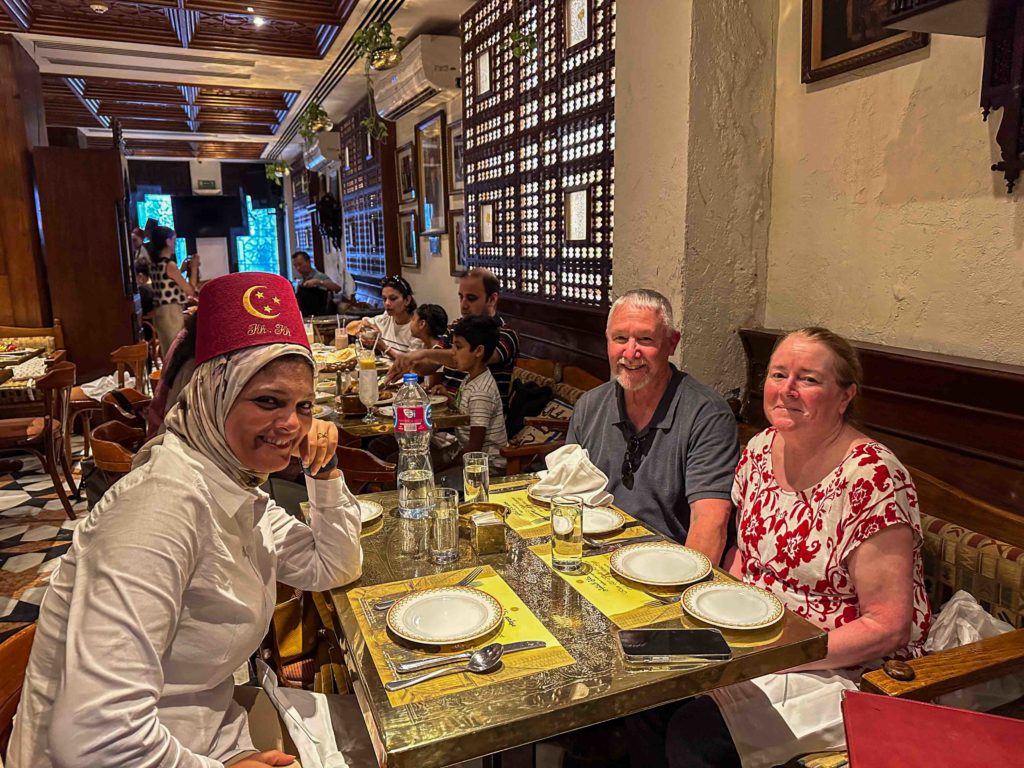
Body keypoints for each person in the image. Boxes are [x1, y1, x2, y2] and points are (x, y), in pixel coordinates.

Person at [8, 272, 365, 767]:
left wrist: (324, 474)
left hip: (210, 732)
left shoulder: (232, 484)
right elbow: (94, 740)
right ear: (213, 395)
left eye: (304, 406)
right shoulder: (159, 510)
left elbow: (332, 566)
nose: (292, 424)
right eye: (268, 401)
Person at [629, 327, 932, 768]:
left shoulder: (871, 477)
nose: (787, 390)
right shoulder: (760, 449)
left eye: (808, 379)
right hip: (756, 638)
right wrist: (707, 617)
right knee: (644, 695)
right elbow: (743, 558)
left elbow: (887, 626)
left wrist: (777, 657)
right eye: (778, 374)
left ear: (845, 396)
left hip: (843, 666)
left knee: (696, 738)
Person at [565, 289, 738, 562]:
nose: (631, 352)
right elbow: (568, 495)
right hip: (593, 559)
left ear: (672, 343)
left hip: (665, 567)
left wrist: (683, 591)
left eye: (645, 339)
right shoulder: (590, 405)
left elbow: (710, 522)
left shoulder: (707, 415)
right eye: (620, 338)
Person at [388, 268, 520, 415]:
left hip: (479, 421)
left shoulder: (506, 334)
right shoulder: (455, 327)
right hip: (447, 411)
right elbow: (431, 364)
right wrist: (410, 366)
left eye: (471, 298)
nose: (463, 305)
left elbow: (474, 357)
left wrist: (420, 354)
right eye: (460, 297)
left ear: (492, 299)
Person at [432, 315, 508, 474]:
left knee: (433, 478)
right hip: (466, 452)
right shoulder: (471, 377)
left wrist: (442, 468)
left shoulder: (481, 392)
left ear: (479, 351)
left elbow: (475, 447)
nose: (453, 353)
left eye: (458, 347)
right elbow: (467, 412)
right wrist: (449, 398)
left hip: (486, 466)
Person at [148, 226, 198, 356]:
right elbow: (190, 291)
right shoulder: (170, 265)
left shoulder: (154, 264)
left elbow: (167, 282)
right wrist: (194, 269)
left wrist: (181, 270)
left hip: (160, 311)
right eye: (174, 240)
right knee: (175, 351)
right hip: (171, 312)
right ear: (168, 241)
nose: (175, 243)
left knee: (167, 351)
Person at [358, 275, 423, 357]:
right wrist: (367, 326)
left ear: (407, 300)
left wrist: (384, 348)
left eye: (393, 298)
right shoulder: (387, 318)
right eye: (384, 299)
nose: (387, 303)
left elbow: (410, 364)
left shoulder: (417, 327)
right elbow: (357, 324)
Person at [291, 250, 340, 317]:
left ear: (308, 262)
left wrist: (318, 282)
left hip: (317, 314)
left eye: (300, 264)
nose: (298, 268)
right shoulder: (300, 281)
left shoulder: (319, 276)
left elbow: (337, 288)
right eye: (295, 266)